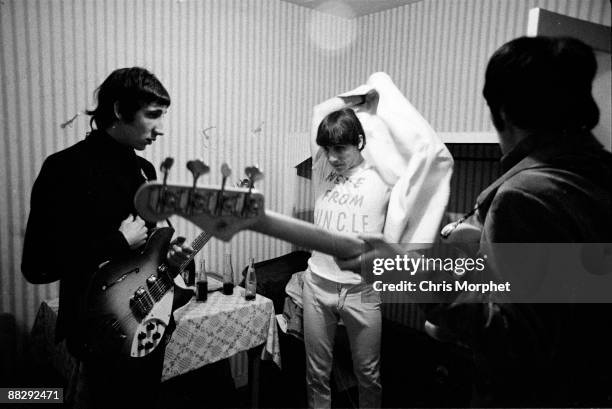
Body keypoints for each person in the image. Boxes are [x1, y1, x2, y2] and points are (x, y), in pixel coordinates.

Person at [361, 36, 612, 407]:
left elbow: (515, 338)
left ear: (504, 111)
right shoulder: (597, 175)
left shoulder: (525, 194)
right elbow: (574, 294)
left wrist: (409, 274)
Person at [22, 67, 194, 408]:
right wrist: (116, 241)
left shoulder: (146, 171)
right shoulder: (64, 168)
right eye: (153, 115)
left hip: (151, 321)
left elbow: (151, 253)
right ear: (119, 110)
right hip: (97, 333)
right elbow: (37, 266)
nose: (161, 129)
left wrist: (170, 259)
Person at [303, 99, 391, 409]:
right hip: (316, 284)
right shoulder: (321, 166)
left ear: (360, 142)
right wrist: (356, 96)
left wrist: (378, 96)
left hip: (362, 289)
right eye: (327, 149)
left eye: (340, 149)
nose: (332, 157)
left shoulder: (383, 176)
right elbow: (319, 111)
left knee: (368, 374)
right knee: (316, 374)